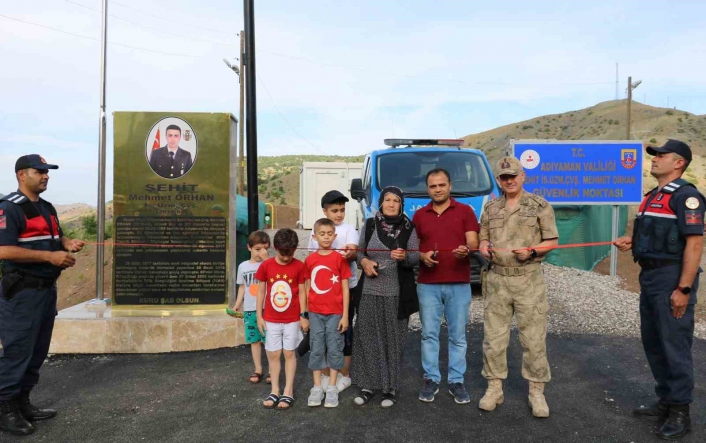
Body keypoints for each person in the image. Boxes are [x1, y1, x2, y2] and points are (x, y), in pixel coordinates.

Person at [614, 140, 704, 439]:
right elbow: (654, 234)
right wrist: (633, 241)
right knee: (654, 342)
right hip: (650, 276)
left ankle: (680, 411)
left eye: (661, 155)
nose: (654, 159)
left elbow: (694, 242)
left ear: (679, 163)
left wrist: (685, 288)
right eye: (655, 155)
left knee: (674, 345)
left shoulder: (687, 196)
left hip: (671, 277)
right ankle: (666, 400)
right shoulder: (653, 196)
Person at [0, 155, 84, 436]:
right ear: (22, 175)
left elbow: (56, 236)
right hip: (22, 292)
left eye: (48, 172)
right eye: (40, 172)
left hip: (45, 292)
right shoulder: (10, 208)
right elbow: (3, 250)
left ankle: (23, 402)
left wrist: (66, 243)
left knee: (37, 351)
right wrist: (49, 257)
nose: (46, 176)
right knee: (17, 351)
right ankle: (5, 407)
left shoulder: (47, 208)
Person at [477, 156, 559, 418]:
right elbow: (483, 239)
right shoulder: (490, 208)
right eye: (504, 177)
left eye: (513, 175)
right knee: (494, 339)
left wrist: (533, 251)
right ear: (499, 181)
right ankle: (494, 388)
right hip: (497, 280)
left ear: (523, 176)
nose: (509, 180)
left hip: (528, 280)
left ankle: (536, 392)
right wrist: (484, 248)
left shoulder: (539, 206)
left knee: (533, 340)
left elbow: (552, 240)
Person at [412, 168, 479, 404]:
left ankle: (456, 381)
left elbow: (473, 241)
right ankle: (431, 378)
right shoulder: (419, 215)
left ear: (450, 185)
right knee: (429, 334)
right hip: (428, 284)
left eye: (442, 185)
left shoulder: (465, 211)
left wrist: (467, 250)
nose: (437, 189)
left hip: (459, 283)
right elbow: (413, 247)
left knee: (457, 336)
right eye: (433, 186)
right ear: (427, 189)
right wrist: (421, 256)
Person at [351, 186, 419, 408]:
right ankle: (368, 385)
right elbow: (360, 252)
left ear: (401, 205)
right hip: (369, 291)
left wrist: (404, 257)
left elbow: (415, 258)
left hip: (395, 293)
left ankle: (389, 389)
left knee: (393, 340)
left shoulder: (409, 228)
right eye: (387, 200)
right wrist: (364, 262)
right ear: (380, 203)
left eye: (396, 200)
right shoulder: (370, 225)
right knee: (367, 338)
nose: (391, 204)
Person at [307, 190, 359, 393]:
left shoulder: (348, 229)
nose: (339, 214)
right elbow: (311, 262)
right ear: (324, 211)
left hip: (345, 290)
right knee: (322, 337)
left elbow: (353, 251)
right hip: (321, 296)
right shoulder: (316, 232)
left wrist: (350, 252)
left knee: (343, 333)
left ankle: (344, 375)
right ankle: (328, 374)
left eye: (342, 210)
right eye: (334, 210)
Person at [254, 228, 306, 410]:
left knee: (289, 353)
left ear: (295, 248)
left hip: (292, 319)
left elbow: (302, 292)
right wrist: (259, 316)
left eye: (290, 253)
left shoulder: (299, 266)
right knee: (273, 354)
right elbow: (261, 291)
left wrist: (303, 315)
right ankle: (275, 390)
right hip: (271, 318)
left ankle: (288, 391)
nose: (286, 257)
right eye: (283, 253)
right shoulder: (266, 266)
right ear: (275, 248)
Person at [303, 218, 351, 408]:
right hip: (315, 313)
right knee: (316, 347)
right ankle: (316, 387)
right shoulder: (310, 259)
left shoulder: (339, 259)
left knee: (335, 346)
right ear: (314, 237)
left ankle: (331, 387)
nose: (326, 237)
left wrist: (345, 315)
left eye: (329, 234)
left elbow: (346, 288)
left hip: (336, 313)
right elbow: (306, 287)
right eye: (322, 234)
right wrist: (305, 314)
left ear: (335, 236)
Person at [232, 231, 270, 384]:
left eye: (265, 248)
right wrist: (237, 304)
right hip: (249, 309)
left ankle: (272, 371)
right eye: (258, 249)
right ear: (249, 247)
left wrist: (266, 260)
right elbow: (242, 287)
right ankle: (258, 369)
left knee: (269, 340)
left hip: (266, 309)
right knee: (254, 340)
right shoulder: (243, 266)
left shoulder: (268, 264)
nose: (261, 252)